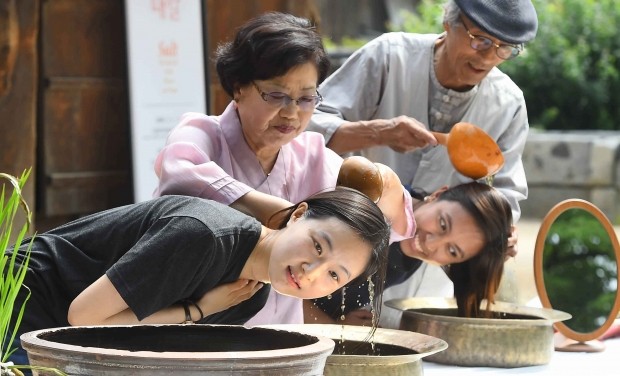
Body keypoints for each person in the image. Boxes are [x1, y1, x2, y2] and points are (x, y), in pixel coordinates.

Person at [152, 11, 413, 326]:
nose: (291, 113)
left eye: (306, 99)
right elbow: (179, 172)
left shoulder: (314, 156)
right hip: (189, 332)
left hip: (279, 340)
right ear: (238, 87)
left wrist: (388, 186)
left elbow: (394, 228)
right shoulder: (204, 134)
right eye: (277, 95)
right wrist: (275, 211)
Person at [6, 188, 390, 366]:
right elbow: (85, 318)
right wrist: (196, 311)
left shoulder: (250, 293)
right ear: (297, 215)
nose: (312, 272)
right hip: (19, 301)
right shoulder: (204, 236)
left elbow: (143, 345)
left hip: (56, 334)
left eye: (334, 275)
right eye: (318, 247)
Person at [307, 0, 538, 224]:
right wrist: (377, 133)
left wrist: (499, 229)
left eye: (504, 47)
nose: (488, 57)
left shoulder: (509, 105)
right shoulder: (389, 56)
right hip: (350, 225)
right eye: (480, 39)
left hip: (431, 252)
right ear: (449, 21)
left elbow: (505, 194)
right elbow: (307, 124)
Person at [306, 177, 513, 326]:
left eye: (452, 251)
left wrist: (338, 320)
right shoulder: (372, 205)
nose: (432, 244)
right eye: (442, 224)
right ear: (437, 195)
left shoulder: (410, 259)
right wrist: (331, 327)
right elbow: (289, 278)